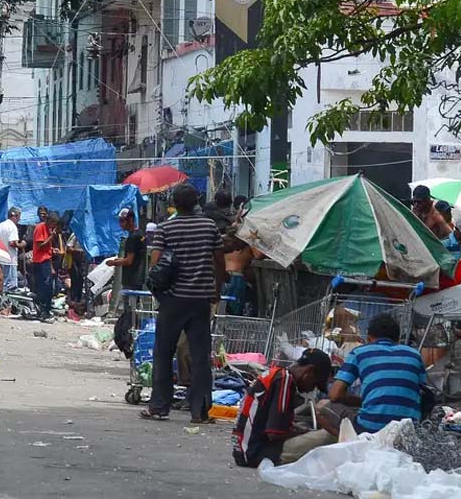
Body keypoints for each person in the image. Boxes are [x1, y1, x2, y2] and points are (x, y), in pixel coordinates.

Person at [141, 183, 226, 423]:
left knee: (163, 353)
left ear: (174, 205)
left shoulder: (165, 228)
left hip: (172, 300)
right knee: (199, 356)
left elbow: (155, 264)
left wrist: (159, 292)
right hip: (200, 299)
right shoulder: (209, 227)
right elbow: (219, 262)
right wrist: (215, 289)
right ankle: (200, 412)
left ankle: (158, 406)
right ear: (197, 202)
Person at [318, 314, 427, 437]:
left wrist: (360, 402)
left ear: (369, 338)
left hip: (370, 428)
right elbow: (423, 390)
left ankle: (354, 443)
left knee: (321, 406)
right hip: (409, 429)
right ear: (397, 339)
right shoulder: (414, 354)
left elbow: (334, 395)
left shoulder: (359, 353)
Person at [232, 349, 333, 467]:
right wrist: (304, 432)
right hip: (256, 453)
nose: (312, 389)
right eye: (315, 384)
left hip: (243, 451)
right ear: (309, 371)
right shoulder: (285, 381)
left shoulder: (276, 374)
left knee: (306, 429)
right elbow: (274, 433)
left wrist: (300, 430)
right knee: (328, 436)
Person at [106, 208, 145, 290]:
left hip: (132, 280)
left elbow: (129, 261)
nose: (120, 225)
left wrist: (113, 263)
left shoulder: (133, 237)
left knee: (130, 302)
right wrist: (118, 260)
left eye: (122, 221)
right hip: (137, 278)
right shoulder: (140, 233)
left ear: (130, 220)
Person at [32, 212, 58, 322]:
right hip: (40, 261)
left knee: (48, 288)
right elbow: (40, 246)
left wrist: (52, 250)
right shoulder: (40, 228)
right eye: (53, 224)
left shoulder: (48, 229)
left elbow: (46, 248)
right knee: (44, 287)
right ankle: (42, 310)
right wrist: (51, 237)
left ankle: (46, 309)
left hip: (46, 260)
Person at [0, 207, 24, 293]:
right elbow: (12, 243)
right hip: (10, 259)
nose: (19, 219)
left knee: (2, 283)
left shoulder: (0, 225)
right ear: (15, 216)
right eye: (19, 217)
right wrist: (21, 245)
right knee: (11, 286)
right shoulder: (12, 227)